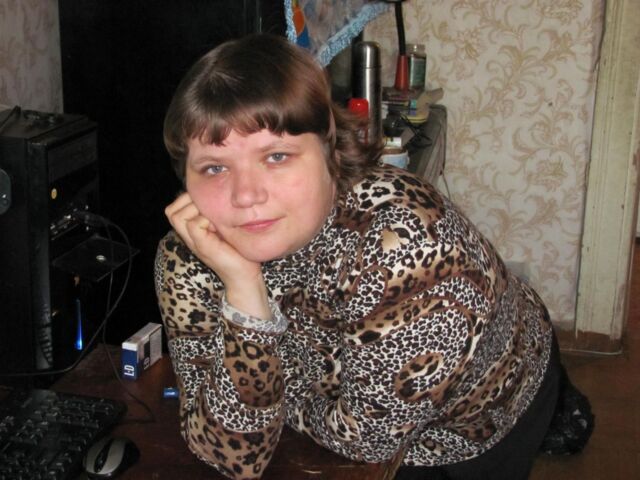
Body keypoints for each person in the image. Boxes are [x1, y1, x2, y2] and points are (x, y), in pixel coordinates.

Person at [154, 34, 579, 480]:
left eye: (276, 156)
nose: (245, 195)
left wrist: (275, 395)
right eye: (214, 167)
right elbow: (231, 454)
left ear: (330, 153)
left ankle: (562, 412)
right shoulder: (190, 258)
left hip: (482, 406)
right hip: (346, 406)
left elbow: (368, 440)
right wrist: (243, 292)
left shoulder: (406, 242)